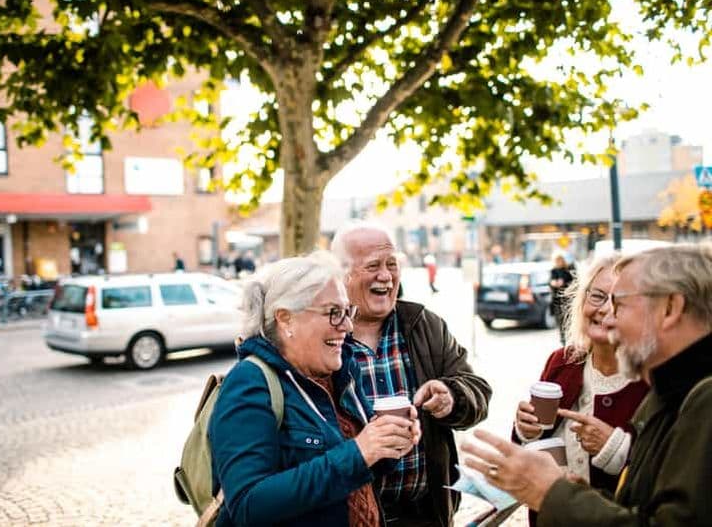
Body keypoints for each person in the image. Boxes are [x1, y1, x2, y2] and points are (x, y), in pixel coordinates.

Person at [462, 243, 712, 525]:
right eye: (599, 298)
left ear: (670, 308)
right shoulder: (673, 388)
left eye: (620, 304)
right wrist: (575, 494)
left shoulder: (701, 396)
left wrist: (553, 494)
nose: (609, 318)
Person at [209, 251, 422, 527]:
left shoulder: (341, 374)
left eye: (348, 311)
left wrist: (387, 444)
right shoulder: (250, 383)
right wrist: (359, 452)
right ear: (286, 319)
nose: (347, 326)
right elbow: (248, 505)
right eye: (334, 313)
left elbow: (354, 470)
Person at [331, 221, 492, 526]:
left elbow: (477, 390)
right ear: (341, 274)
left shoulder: (424, 324)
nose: (386, 275)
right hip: (352, 518)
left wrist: (452, 396)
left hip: (425, 514)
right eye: (373, 265)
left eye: (392, 264)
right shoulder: (325, 336)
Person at [512, 253, 649, 524]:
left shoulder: (652, 379)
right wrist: (525, 431)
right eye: (597, 296)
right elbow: (534, 442)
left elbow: (671, 473)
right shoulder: (562, 361)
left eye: (620, 301)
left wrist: (617, 449)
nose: (605, 309)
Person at [549, 252, 574, 345]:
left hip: (566, 299)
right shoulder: (553, 271)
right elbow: (551, 282)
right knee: (559, 321)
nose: (557, 262)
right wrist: (553, 283)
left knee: (568, 320)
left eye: (559, 260)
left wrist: (562, 283)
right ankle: (563, 340)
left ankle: (569, 338)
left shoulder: (568, 270)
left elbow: (571, 283)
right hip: (556, 300)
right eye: (556, 260)